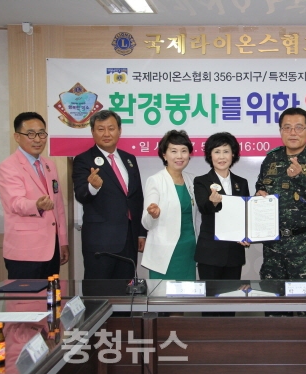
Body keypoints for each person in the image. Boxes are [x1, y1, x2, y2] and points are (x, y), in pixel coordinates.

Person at [255, 107, 306, 280]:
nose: (293, 133)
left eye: (299, 127)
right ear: (280, 131)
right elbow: (260, 188)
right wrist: (259, 196)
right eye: (287, 127)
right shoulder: (271, 159)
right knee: (273, 296)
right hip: (273, 247)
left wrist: (299, 177)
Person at [72, 110, 145, 279]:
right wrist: (92, 187)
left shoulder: (129, 159)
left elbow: (137, 197)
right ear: (92, 131)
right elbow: (81, 195)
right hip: (100, 242)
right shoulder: (83, 160)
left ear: (119, 131)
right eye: (100, 129)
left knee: (126, 290)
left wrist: (141, 232)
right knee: (99, 290)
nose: (106, 134)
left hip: (128, 240)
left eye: (111, 128)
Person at [0, 112, 68, 278]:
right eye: (31, 134)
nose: (37, 139)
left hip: (52, 250)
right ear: (17, 137)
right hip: (25, 252)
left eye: (42, 133)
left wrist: (63, 241)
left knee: (51, 294)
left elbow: (58, 206)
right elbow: (15, 203)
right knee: (26, 296)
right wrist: (37, 205)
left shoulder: (49, 165)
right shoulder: (8, 166)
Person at [141, 130, 198, 280]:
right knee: (163, 293)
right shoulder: (155, 180)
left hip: (189, 249)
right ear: (164, 155)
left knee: (188, 292)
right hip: (164, 252)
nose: (179, 156)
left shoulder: (193, 180)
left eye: (184, 151)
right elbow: (146, 223)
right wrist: (153, 214)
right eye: (173, 151)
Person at [194, 132, 250, 281]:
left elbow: (245, 215)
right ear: (210, 155)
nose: (222, 157)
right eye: (217, 152)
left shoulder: (242, 182)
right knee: (210, 294)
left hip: (234, 253)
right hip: (210, 253)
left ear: (233, 154)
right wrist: (212, 202)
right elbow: (203, 208)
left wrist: (247, 234)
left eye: (226, 151)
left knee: (233, 294)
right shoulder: (201, 181)